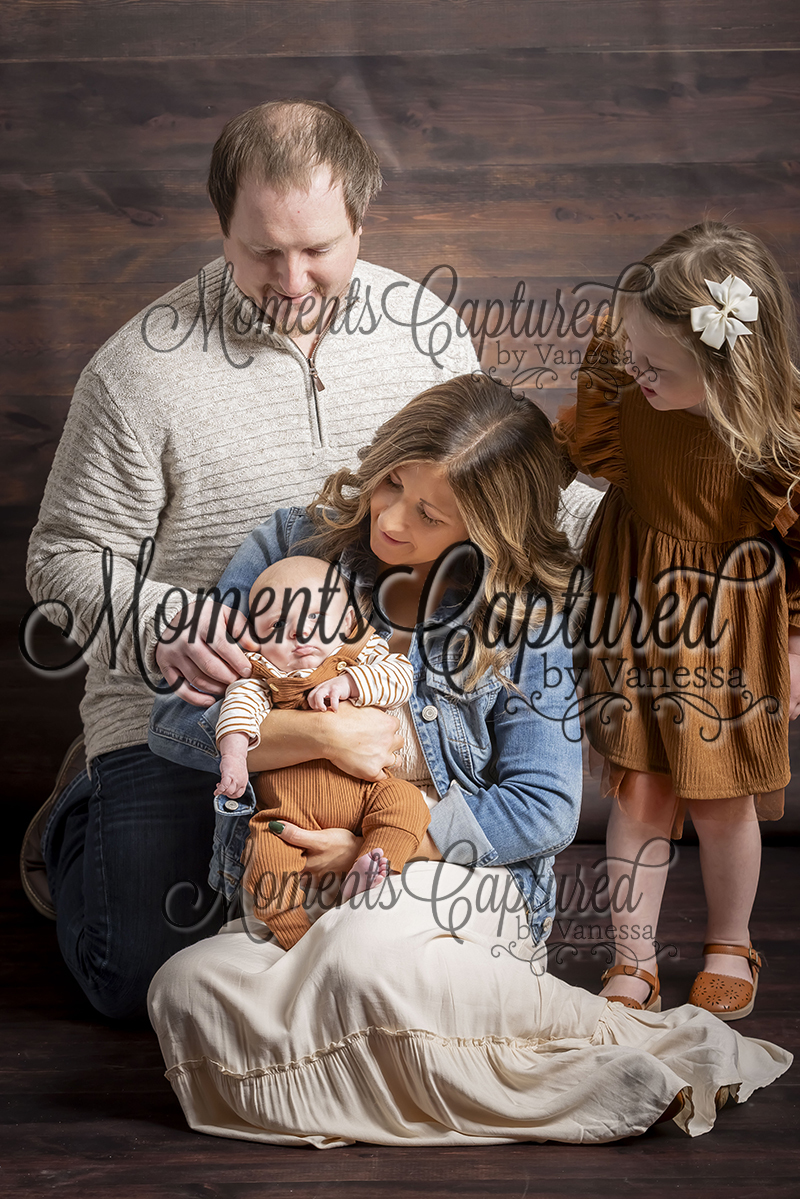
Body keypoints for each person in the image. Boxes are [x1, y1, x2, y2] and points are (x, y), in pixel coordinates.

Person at [147, 375, 791, 1146]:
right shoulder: (291, 548)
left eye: (430, 514)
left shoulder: (525, 618)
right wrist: (323, 739)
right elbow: (174, 725)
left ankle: (594, 1058)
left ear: (487, 531)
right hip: (289, 882)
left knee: (361, 955)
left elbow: (544, 809)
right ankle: (462, 1066)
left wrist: (384, 844)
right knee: (183, 989)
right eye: (392, 482)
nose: (391, 518)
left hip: (455, 882)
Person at [21, 99, 486, 1020]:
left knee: (391, 945)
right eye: (263, 251)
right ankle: (81, 806)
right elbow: (61, 556)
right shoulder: (138, 370)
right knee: (138, 978)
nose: (293, 280)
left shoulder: (427, 333)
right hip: (193, 712)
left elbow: (497, 492)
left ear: (362, 220)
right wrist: (164, 625)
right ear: (222, 226)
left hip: (371, 693)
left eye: (318, 248)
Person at [554, 221, 800, 1018]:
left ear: (728, 369)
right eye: (631, 352)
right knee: (640, 794)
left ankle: (732, 940)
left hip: (729, 630)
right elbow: (587, 452)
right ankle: (634, 958)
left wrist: (796, 644)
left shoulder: (775, 435)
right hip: (635, 613)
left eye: (655, 366)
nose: (637, 372)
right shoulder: (632, 390)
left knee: (724, 801)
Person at [215, 555, 430, 949]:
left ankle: (376, 862)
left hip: (367, 797)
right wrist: (232, 758)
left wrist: (351, 683)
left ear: (346, 622)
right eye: (276, 625)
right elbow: (236, 715)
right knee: (265, 857)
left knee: (406, 801)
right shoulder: (263, 679)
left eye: (314, 617)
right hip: (287, 816)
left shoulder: (356, 660)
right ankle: (295, 935)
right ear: (255, 639)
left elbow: (400, 675)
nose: (299, 633)